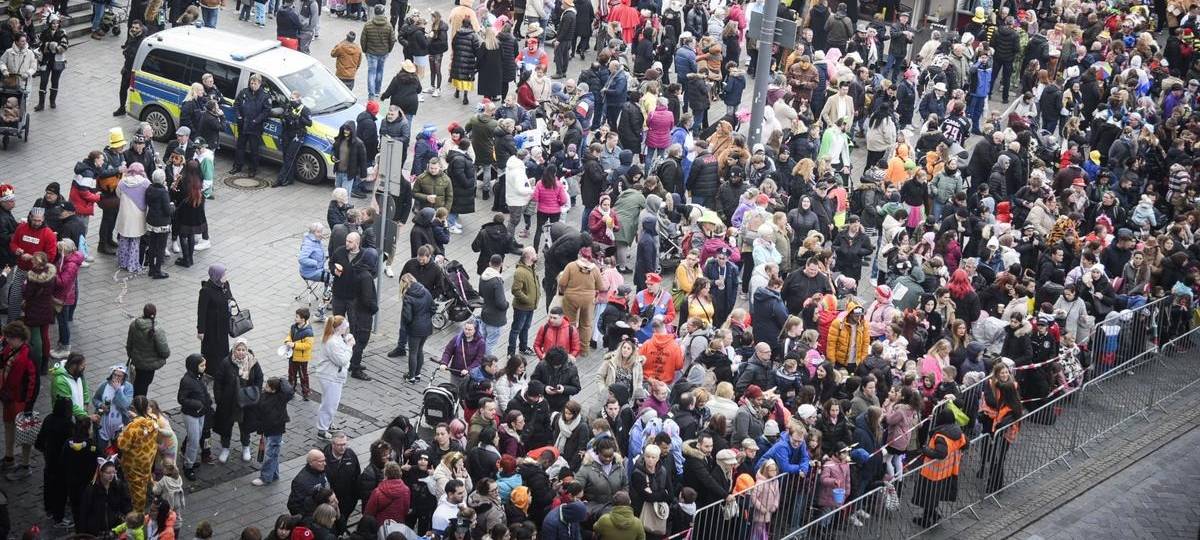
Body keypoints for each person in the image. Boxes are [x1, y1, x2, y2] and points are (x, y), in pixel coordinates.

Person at [911, 408, 968, 528]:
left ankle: (926, 520)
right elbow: (966, 443)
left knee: (928, 496)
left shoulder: (941, 436)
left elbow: (940, 454)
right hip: (946, 470)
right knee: (934, 495)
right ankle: (933, 514)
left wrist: (926, 450)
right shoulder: (957, 430)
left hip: (933, 472)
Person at [116, 396, 159, 513]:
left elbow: (122, 445)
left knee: (137, 488)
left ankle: (138, 514)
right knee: (147, 478)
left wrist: (121, 433)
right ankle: (152, 498)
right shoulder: (153, 419)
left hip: (134, 463)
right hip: (148, 459)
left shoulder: (132, 427)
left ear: (134, 408)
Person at [316, 316, 354, 440]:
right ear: (339, 328)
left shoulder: (336, 338)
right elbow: (342, 360)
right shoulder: (332, 342)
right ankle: (322, 429)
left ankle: (328, 423)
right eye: (344, 326)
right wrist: (349, 346)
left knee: (331, 402)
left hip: (334, 375)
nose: (347, 328)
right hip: (330, 376)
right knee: (329, 403)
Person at [176, 353, 212, 480]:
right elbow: (181, 398)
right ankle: (188, 466)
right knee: (194, 440)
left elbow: (204, 392)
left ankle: (187, 458)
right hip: (191, 414)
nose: (204, 367)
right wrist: (198, 404)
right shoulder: (186, 380)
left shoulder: (199, 377)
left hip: (200, 412)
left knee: (196, 436)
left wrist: (207, 404)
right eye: (202, 365)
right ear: (194, 366)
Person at [395, 274, 434, 383]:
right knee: (420, 350)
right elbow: (433, 308)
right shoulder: (425, 291)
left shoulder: (408, 296)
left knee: (413, 352)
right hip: (426, 326)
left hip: (415, 328)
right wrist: (426, 318)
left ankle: (411, 376)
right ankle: (418, 374)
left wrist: (408, 325)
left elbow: (407, 317)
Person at [231, 73, 271, 177]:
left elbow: (266, 111)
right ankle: (237, 166)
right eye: (251, 83)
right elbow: (236, 104)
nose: (253, 85)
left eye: (255, 83)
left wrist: (256, 120)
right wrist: (238, 116)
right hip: (243, 125)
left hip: (255, 127)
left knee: (254, 150)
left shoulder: (265, 96)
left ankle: (253, 169)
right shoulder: (244, 92)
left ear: (260, 83)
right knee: (240, 147)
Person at [126, 303, 169, 398]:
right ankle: (139, 404)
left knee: (137, 382)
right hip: (150, 365)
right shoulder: (157, 330)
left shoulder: (134, 325)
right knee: (144, 385)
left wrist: (132, 355)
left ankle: (134, 400)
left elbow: (129, 344)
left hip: (137, 362)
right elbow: (165, 351)